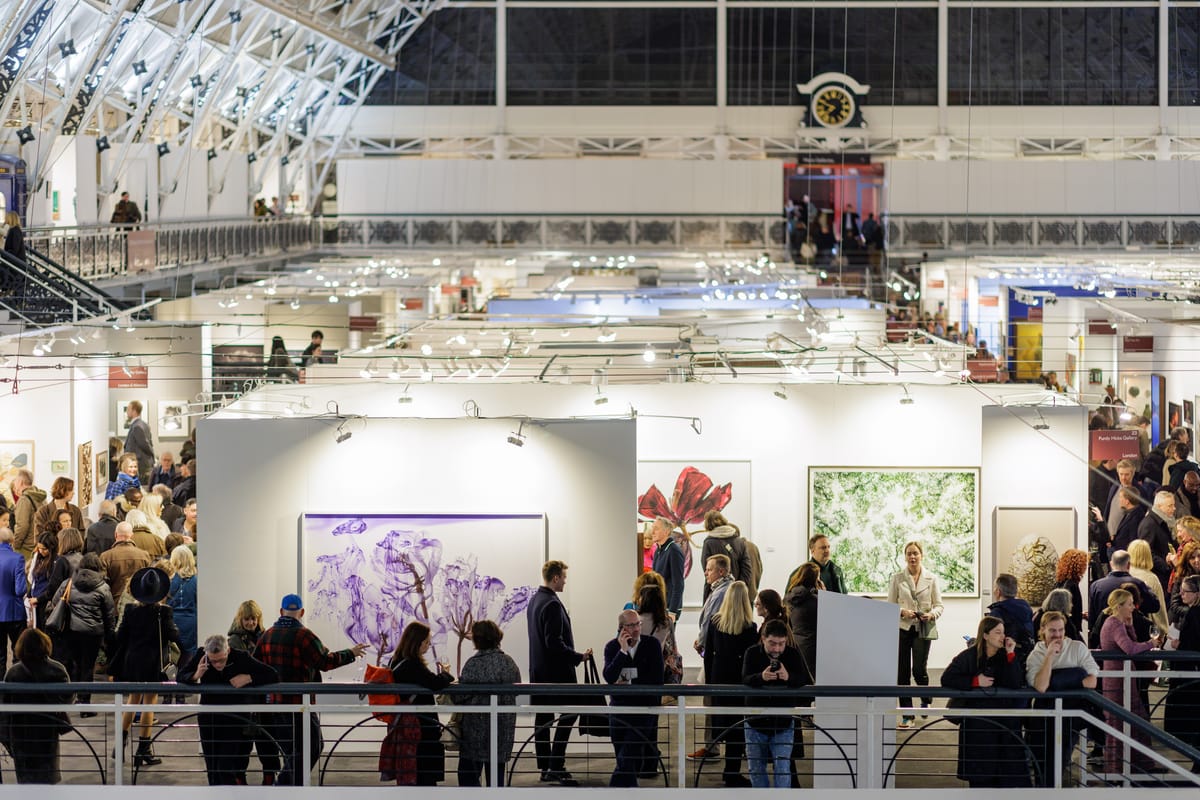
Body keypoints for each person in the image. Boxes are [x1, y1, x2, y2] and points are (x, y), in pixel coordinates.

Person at [253, 593, 367, 785]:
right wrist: (351, 653)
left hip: (275, 706)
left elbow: (256, 666)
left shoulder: (267, 635)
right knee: (312, 747)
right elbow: (325, 661)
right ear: (302, 612)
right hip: (301, 706)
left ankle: (289, 789)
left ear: (281, 611)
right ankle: (283, 786)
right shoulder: (304, 636)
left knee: (292, 752)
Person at [179, 633, 279, 785]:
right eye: (213, 661)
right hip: (209, 719)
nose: (218, 664)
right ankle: (216, 794)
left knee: (225, 768)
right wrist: (196, 675)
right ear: (207, 654)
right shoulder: (201, 656)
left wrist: (249, 678)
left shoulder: (241, 657)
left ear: (228, 651)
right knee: (212, 769)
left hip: (234, 719)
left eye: (221, 660)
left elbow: (272, 674)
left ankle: (231, 793)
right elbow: (181, 675)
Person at [939, 616, 1028, 788]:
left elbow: (1016, 682)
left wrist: (1010, 653)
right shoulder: (969, 656)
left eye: (1003, 632)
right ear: (985, 635)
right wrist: (975, 682)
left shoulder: (1006, 655)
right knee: (980, 777)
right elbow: (947, 678)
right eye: (998, 632)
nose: (1003, 636)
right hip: (978, 724)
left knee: (1007, 775)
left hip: (1003, 724)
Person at [526, 559, 590, 786]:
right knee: (570, 713)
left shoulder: (535, 600)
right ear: (555, 578)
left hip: (539, 673)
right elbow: (554, 643)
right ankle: (555, 764)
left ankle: (546, 766)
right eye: (563, 577)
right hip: (556, 675)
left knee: (543, 720)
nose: (565, 582)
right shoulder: (552, 604)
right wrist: (578, 657)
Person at [109, 566, 181, 767]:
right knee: (149, 703)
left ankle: (119, 745)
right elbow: (173, 635)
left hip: (132, 661)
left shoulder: (130, 610)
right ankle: (143, 749)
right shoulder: (163, 612)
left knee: (132, 701)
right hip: (152, 662)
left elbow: (120, 637)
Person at [1026, 610, 1100, 785]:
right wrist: (1050, 657)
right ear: (1042, 630)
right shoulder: (1036, 655)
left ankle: (1053, 792)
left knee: (1059, 760)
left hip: (1070, 716)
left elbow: (1091, 681)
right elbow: (1041, 686)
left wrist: (1056, 682)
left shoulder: (1077, 648)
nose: (1057, 635)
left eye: (1061, 630)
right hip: (1043, 716)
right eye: (1052, 630)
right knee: (1041, 763)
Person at [741, 618, 812, 788]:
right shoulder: (751, 653)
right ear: (763, 639)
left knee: (783, 769)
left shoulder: (793, 654)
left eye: (781, 644)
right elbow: (745, 678)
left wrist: (788, 677)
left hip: (783, 722)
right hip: (756, 721)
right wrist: (761, 677)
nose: (777, 649)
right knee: (756, 769)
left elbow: (803, 680)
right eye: (772, 643)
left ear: (786, 641)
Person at [1099, 588, 1161, 774]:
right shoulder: (1114, 624)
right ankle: (1127, 766)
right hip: (1118, 680)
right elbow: (1130, 648)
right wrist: (1151, 644)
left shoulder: (1117, 623)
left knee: (1128, 720)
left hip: (1121, 677)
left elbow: (1130, 642)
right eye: (1129, 604)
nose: (1133, 607)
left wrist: (1130, 624)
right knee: (1125, 721)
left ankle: (1128, 765)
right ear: (1119, 606)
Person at [385, 620, 454, 786]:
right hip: (419, 723)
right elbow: (434, 683)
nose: (428, 646)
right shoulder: (412, 664)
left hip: (404, 722)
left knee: (409, 769)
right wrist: (446, 673)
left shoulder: (396, 661)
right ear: (416, 642)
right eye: (426, 642)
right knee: (424, 772)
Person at [703, 581, 758, 787]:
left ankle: (730, 770)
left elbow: (708, 655)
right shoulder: (750, 628)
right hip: (740, 681)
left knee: (723, 723)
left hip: (719, 679)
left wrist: (709, 682)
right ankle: (731, 771)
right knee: (737, 727)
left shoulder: (715, 623)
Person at [0, 628, 72, 783]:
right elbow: (68, 697)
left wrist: (6, 738)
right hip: (47, 730)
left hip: (20, 732)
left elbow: (4, 706)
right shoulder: (57, 669)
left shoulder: (13, 673)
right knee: (48, 776)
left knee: (25, 780)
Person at [457, 619, 521, 787]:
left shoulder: (473, 664)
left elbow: (459, 696)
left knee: (468, 778)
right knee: (496, 778)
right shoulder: (508, 663)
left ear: (477, 640)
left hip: (474, 729)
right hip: (501, 727)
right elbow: (517, 690)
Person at [49, 552, 115, 714]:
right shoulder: (103, 587)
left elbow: (55, 602)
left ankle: (70, 699)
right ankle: (84, 703)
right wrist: (110, 636)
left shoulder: (68, 583)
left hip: (71, 631)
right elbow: (109, 614)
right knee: (87, 667)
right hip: (93, 634)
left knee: (74, 664)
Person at [888, 540, 943, 726]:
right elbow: (890, 605)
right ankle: (908, 714)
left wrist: (932, 615)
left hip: (922, 628)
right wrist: (902, 611)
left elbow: (939, 605)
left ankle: (925, 699)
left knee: (919, 670)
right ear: (905, 557)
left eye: (915, 553)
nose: (912, 556)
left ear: (921, 555)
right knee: (902, 673)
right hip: (902, 629)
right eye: (909, 553)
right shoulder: (897, 578)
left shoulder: (932, 578)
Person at [225, 599, 280, 783]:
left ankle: (269, 780)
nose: (250, 623)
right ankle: (239, 782)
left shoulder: (265, 637)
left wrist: (252, 676)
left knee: (268, 744)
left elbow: (270, 671)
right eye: (247, 619)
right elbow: (243, 670)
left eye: (253, 619)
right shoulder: (233, 641)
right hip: (243, 702)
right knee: (241, 746)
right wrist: (257, 674)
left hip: (264, 701)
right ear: (240, 619)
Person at [689, 553, 733, 761]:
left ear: (721, 571)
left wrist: (702, 642)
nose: (706, 572)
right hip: (719, 653)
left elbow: (710, 622)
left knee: (711, 698)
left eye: (709, 569)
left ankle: (711, 746)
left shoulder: (722, 592)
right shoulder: (724, 589)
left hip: (716, 655)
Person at [1164, 575, 1200, 770]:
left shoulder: (1194, 614)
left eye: (1185, 591)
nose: (1181, 594)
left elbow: (1193, 643)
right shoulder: (1192, 612)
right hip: (1192, 673)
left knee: (1190, 717)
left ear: (1197, 594)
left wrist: (1179, 644)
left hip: (1190, 673)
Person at [1087, 549, 1159, 623]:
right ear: (1129, 565)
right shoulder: (1137, 584)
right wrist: (1147, 588)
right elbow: (1155, 607)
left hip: (1104, 629)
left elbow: (1092, 617)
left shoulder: (1096, 586)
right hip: (1132, 628)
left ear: (1111, 564)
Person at [700, 511, 757, 598]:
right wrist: (739, 587)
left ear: (707, 525)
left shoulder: (709, 542)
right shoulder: (739, 541)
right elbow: (747, 568)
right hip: (737, 592)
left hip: (717, 592)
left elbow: (708, 570)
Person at [99, 521, 152, 606]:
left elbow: (102, 586)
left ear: (115, 535)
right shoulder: (144, 555)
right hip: (138, 604)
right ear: (132, 535)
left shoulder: (106, 557)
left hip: (114, 604)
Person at [986, 573, 1035, 659]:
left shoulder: (997, 612)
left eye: (994, 588)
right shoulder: (1026, 608)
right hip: (1027, 654)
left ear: (998, 591)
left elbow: (991, 640)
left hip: (1005, 655)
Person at [0, 527, 29, 674]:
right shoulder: (18, 558)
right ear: (12, 540)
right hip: (14, 611)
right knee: (18, 653)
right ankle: (16, 683)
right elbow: (20, 590)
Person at [785, 562, 821, 678]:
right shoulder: (817, 601)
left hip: (794, 645)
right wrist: (823, 594)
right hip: (813, 647)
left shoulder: (788, 598)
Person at [1127, 539, 1169, 635]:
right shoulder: (1151, 578)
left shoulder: (1125, 575)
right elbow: (1159, 611)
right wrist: (1163, 632)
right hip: (1147, 630)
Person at [649, 517, 684, 620]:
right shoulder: (658, 550)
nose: (652, 532)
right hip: (659, 605)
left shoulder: (674, 551)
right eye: (652, 528)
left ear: (666, 531)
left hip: (669, 608)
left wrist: (672, 611)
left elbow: (678, 584)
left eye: (656, 528)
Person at [167, 545, 198, 653]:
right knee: (189, 655)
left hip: (171, 622)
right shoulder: (196, 581)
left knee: (173, 654)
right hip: (191, 622)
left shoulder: (168, 580)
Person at [10, 469, 44, 562]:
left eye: (16, 480)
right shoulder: (41, 498)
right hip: (39, 545)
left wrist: (15, 545)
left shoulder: (24, 500)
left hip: (26, 549)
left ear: (20, 482)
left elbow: (22, 526)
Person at [1053, 548, 1089, 636]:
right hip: (1069, 629)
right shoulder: (1071, 585)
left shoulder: (1060, 582)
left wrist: (1079, 614)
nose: (1085, 567)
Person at [26, 531, 57, 629]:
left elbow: (52, 587)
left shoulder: (55, 562)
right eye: (39, 548)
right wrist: (29, 596)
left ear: (51, 547)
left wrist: (38, 599)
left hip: (45, 603)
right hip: (35, 602)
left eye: (44, 549)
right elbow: (35, 581)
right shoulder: (39, 558)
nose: (41, 551)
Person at [123, 400, 156, 485]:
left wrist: (152, 456)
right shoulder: (143, 424)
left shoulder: (137, 426)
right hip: (141, 464)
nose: (127, 412)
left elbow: (145, 445)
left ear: (134, 411)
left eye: (128, 409)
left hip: (140, 466)